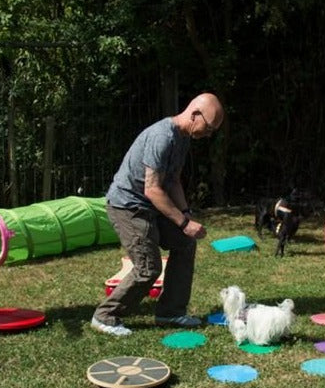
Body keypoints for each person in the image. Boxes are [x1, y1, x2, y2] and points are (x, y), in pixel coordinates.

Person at [91, 92, 225, 337]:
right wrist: (183, 222)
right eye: (208, 127)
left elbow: (172, 180)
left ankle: (170, 311)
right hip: (128, 206)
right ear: (195, 114)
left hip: (150, 204)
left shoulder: (182, 138)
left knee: (185, 243)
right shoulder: (162, 137)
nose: (208, 134)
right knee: (148, 267)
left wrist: (185, 213)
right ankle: (105, 316)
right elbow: (152, 189)